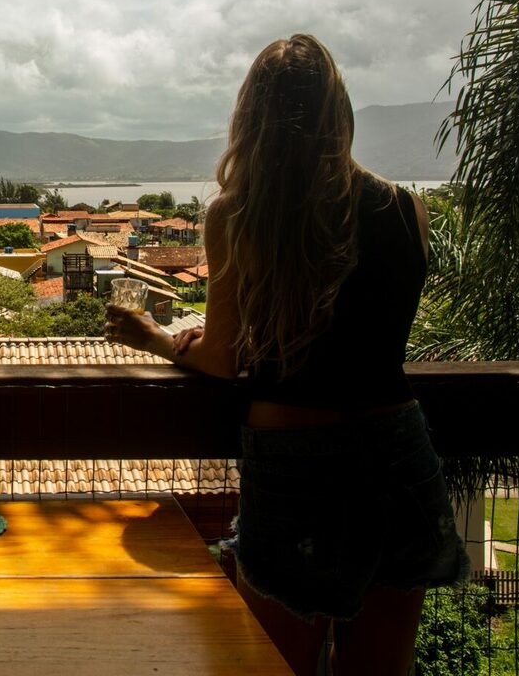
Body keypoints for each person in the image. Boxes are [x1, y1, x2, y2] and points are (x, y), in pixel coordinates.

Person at [105, 34, 467, 676]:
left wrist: (156, 340)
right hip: (398, 458)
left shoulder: (237, 217)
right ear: (341, 114)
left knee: (270, 667)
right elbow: (359, 335)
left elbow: (220, 361)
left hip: (297, 471)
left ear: (250, 119)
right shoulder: (409, 210)